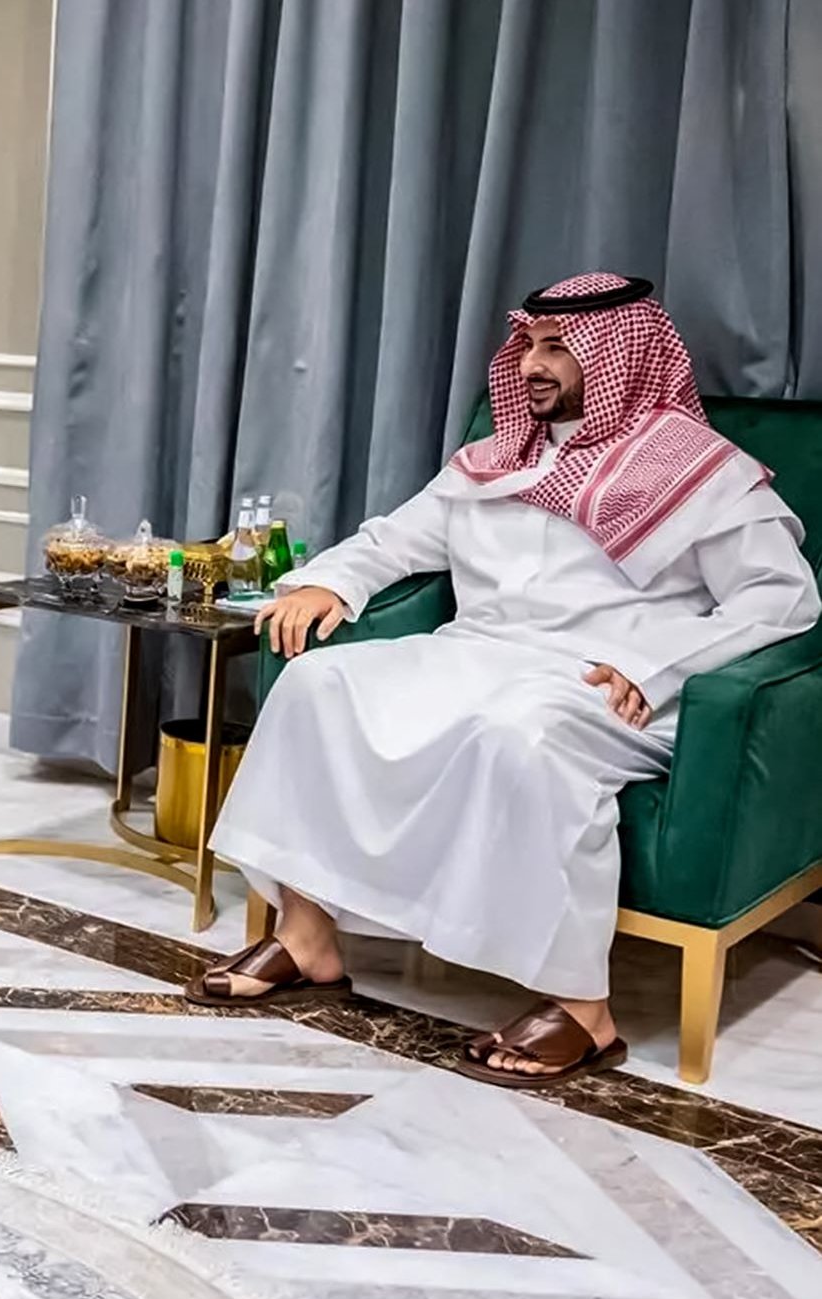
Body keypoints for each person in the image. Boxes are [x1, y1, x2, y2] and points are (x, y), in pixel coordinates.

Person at [200, 273, 820, 1087]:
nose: (532, 362)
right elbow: (396, 540)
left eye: (558, 348)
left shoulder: (698, 473)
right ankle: (308, 932)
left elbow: (784, 600)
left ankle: (582, 1011)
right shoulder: (493, 461)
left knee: (521, 731)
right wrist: (330, 582)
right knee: (319, 685)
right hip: (476, 653)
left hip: (612, 682)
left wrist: (656, 661)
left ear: (620, 356)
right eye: (527, 343)